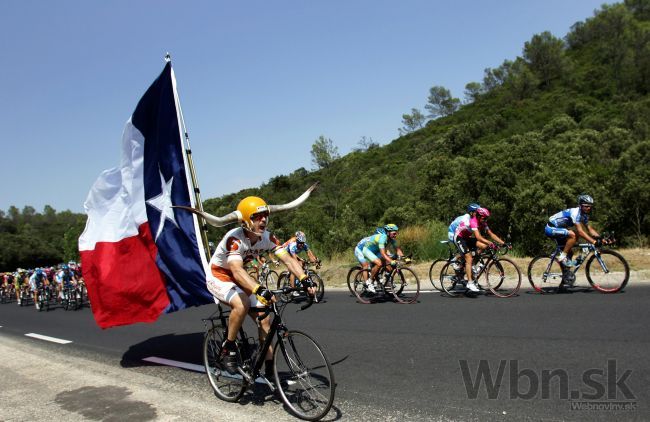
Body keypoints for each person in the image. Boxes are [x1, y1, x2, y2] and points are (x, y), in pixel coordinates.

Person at [176, 185, 317, 379]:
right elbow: (235, 269)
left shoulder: (267, 238)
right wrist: (259, 288)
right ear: (244, 221)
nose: (264, 220)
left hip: (240, 277)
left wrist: (305, 279)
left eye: (265, 215)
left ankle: (269, 369)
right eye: (257, 217)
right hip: (220, 275)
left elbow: (289, 260)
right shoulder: (234, 239)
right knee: (241, 303)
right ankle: (229, 347)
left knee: (265, 319)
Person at [453, 207, 507, 293]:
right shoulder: (473, 221)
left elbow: (491, 234)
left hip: (467, 238)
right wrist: (491, 243)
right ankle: (470, 282)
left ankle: (471, 265)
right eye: (484, 218)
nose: (485, 220)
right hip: (459, 237)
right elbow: (478, 237)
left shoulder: (483, 222)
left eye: (486, 218)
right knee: (469, 258)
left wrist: (503, 243)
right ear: (478, 216)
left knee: (484, 247)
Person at [545, 194, 604, 267]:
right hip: (551, 228)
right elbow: (581, 231)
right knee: (573, 234)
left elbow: (590, 229)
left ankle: (566, 275)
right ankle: (562, 256)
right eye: (586, 206)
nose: (588, 208)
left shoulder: (584, 215)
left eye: (590, 206)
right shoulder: (575, 213)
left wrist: (601, 239)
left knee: (570, 253)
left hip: (560, 229)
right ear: (581, 205)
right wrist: (594, 241)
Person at [354, 224, 406, 293]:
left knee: (387, 263)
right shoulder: (383, 238)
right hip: (362, 249)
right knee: (372, 264)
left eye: (396, 233)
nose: (396, 235)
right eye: (394, 233)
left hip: (374, 250)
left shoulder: (391, 239)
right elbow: (383, 254)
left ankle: (385, 281)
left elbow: (398, 250)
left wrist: (405, 259)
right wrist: (391, 260)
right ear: (388, 233)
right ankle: (369, 282)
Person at [282, 231, 320, 296]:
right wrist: (298, 263)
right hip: (285, 254)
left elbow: (310, 254)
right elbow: (294, 258)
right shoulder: (292, 245)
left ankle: (298, 279)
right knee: (294, 268)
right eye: (300, 243)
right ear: (296, 241)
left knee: (302, 263)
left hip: (293, 254)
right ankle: (293, 289)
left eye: (303, 243)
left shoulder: (304, 245)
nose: (302, 245)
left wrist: (315, 261)